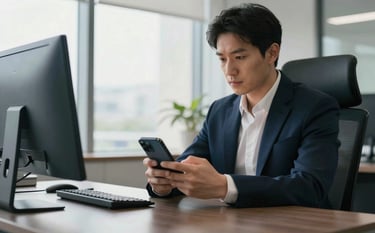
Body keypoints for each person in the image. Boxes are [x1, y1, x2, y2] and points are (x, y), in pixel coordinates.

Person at [143, 3, 339, 208]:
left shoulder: (315, 107)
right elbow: (186, 167)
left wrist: (225, 186)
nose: (229, 70)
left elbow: (310, 187)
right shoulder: (219, 111)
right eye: (222, 59)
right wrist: (164, 183)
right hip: (232, 223)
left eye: (239, 57)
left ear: (272, 53)